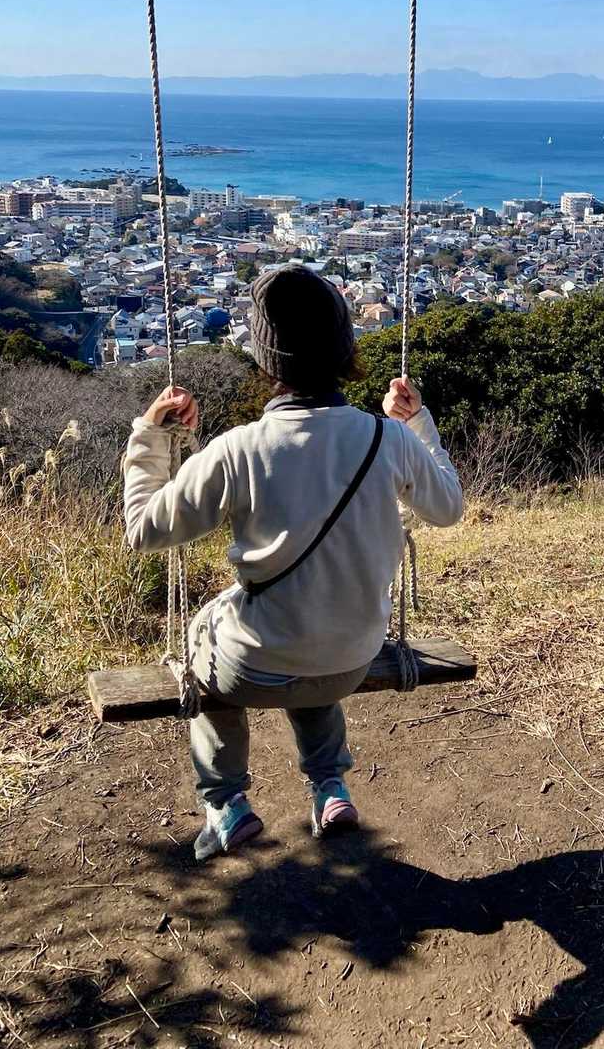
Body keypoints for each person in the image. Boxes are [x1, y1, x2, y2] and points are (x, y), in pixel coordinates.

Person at [123, 264, 463, 862]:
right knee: (316, 619)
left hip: (255, 668)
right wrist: (416, 424)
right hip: (351, 659)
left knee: (209, 635)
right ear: (345, 349)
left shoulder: (238, 449)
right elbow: (448, 508)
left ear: (264, 359)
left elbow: (144, 529)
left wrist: (152, 437)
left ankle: (226, 804)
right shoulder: (388, 439)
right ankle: (330, 786)